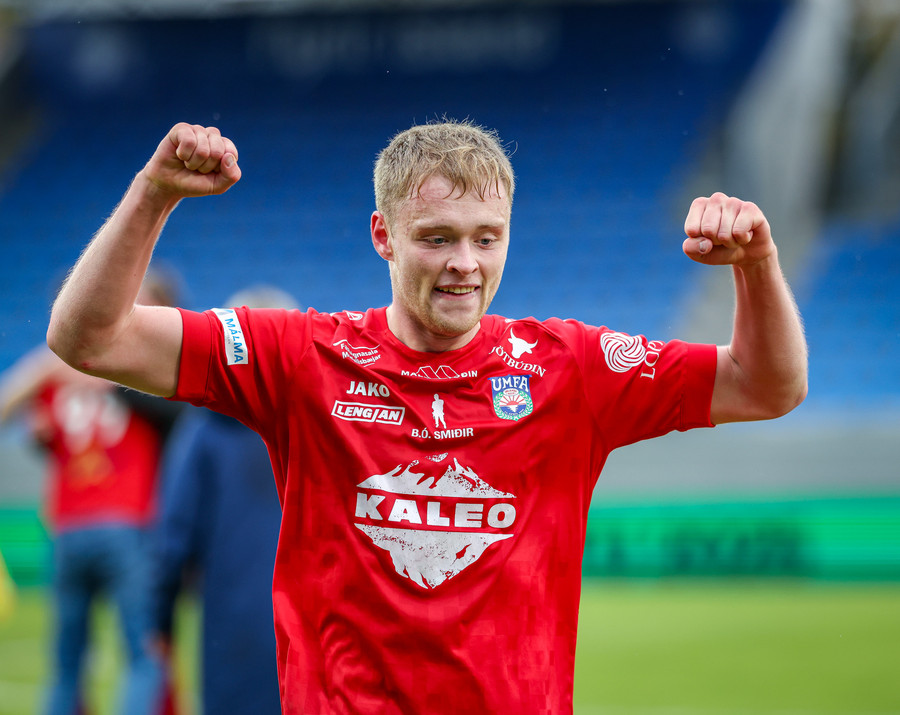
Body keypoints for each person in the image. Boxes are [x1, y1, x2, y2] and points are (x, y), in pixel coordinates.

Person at [46, 120, 808, 714]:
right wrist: (154, 193)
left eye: (487, 237)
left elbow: (765, 384)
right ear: (383, 236)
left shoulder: (568, 369)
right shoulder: (301, 356)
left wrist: (757, 264)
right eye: (438, 237)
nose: (465, 263)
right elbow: (89, 337)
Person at [0, 273, 181, 715]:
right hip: (127, 521)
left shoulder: (59, 374)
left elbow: (42, 427)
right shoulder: (137, 367)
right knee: (143, 656)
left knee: (66, 666)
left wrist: (44, 372)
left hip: (68, 527)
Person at [152, 285, 298, 715]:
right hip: (315, 626)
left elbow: (174, 535)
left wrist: (161, 619)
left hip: (232, 625)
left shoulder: (204, 429)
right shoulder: (329, 423)